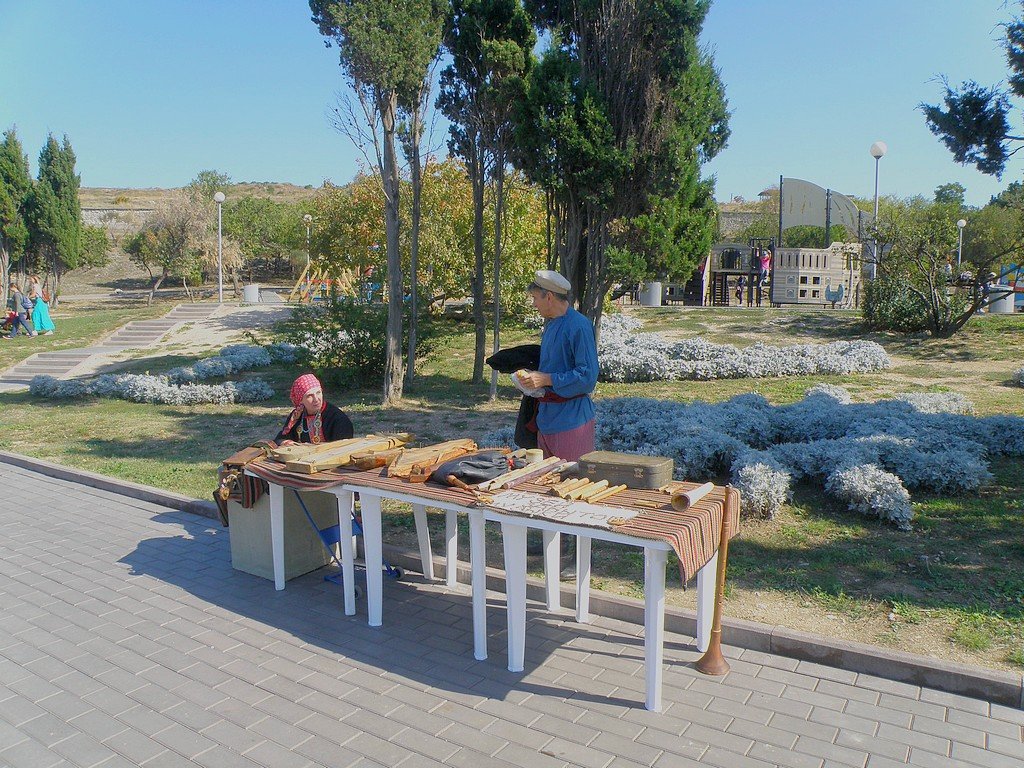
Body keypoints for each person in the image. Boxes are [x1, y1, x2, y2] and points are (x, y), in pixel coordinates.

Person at [516, 270, 599, 463]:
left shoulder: (579, 325)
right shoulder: (552, 325)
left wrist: (546, 379)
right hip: (546, 420)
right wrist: (531, 378)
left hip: (572, 423)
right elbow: (553, 366)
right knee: (542, 485)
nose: (534, 304)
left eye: (536, 298)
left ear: (550, 297)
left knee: (568, 484)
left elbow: (587, 377)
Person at [275, 373, 354, 445]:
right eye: (310, 396)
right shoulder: (297, 416)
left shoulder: (337, 418)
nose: (316, 399)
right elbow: (280, 439)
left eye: (318, 393)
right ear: (300, 400)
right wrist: (287, 443)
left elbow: (343, 447)